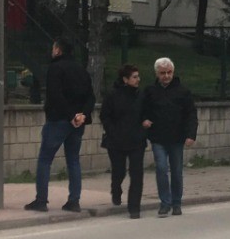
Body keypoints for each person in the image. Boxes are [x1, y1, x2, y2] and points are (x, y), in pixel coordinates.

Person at [26, 37, 95, 214]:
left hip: (58, 119)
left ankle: (41, 200)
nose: (52, 51)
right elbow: (91, 96)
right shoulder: (81, 70)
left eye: (53, 48)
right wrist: (82, 115)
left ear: (58, 51)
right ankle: (74, 200)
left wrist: (70, 115)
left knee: (45, 159)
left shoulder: (55, 68)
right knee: (73, 160)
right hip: (78, 122)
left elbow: (55, 95)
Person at [140, 57, 198, 217]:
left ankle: (176, 202)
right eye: (162, 73)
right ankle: (165, 202)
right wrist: (144, 120)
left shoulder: (183, 91)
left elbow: (191, 114)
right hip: (158, 137)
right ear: (157, 74)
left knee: (177, 171)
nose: (166, 76)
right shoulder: (150, 91)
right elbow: (142, 109)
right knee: (161, 168)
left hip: (177, 137)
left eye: (169, 72)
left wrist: (191, 134)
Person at [99, 64, 147, 218]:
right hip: (117, 141)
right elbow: (104, 116)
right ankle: (116, 189)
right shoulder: (113, 96)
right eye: (134, 77)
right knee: (119, 171)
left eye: (138, 76)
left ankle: (134, 207)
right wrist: (112, 131)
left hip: (136, 140)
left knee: (137, 174)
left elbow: (146, 113)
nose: (138, 79)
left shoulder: (141, 96)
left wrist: (145, 123)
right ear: (125, 79)